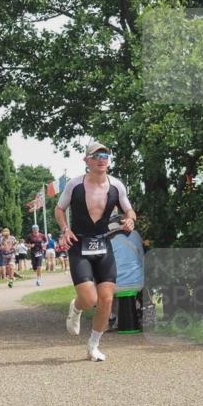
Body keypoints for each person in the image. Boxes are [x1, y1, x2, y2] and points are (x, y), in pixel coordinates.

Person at [56, 141, 135, 362]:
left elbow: (129, 210)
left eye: (105, 156)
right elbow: (59, 208)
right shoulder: (75, 185)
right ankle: (76, 306)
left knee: (107, 300)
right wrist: (65, 228)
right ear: (86, 160)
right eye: (97, 155)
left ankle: (93, 346)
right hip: (79, 244)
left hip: (103, 244)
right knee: (89, 299)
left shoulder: (117, 185)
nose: (102, 159)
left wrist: (130, 220)